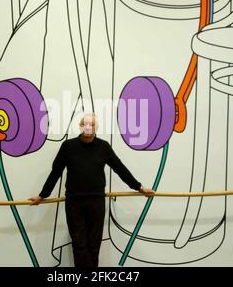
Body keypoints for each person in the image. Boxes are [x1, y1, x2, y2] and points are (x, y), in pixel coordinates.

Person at [28, 113, 155, 267]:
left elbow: (120, 169)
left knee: (94, 246)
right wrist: (42, 195)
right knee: (79, 246)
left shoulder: (104, 147)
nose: (88, 127)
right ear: (80, 126)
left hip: (96, 202)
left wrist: (139, 187)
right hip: (74, 203)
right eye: (85, 124)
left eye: (92, 124)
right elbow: (55, 172)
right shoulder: (68, 146)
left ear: (97, 128)